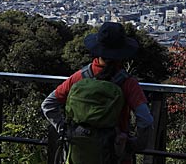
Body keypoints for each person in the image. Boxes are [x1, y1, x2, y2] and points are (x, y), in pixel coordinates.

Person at [42, 22, 154, 164]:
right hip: (114, 155)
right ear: (122, 53)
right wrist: (134, 144)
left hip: (79, 154)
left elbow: (48, 105)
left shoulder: (80, 77)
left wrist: (65, 131)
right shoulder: (127, 83)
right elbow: (146, 119)